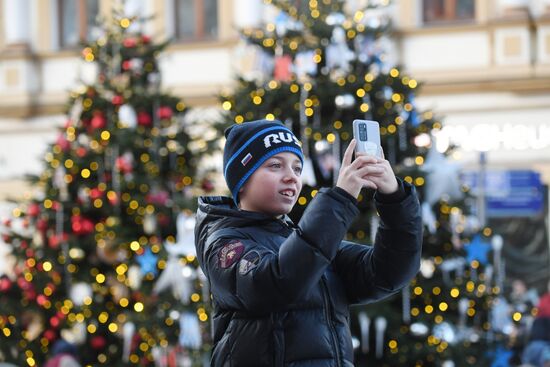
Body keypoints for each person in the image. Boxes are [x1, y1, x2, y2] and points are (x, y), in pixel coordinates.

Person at [194, 119, 422, 366]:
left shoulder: (308, 242)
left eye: (297, 168)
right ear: (242, 178)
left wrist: (395, 199)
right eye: (275, 165)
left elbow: (387, 274)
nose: (291, 177)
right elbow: (276, 282)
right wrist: (340, 197)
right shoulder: (224, 242)